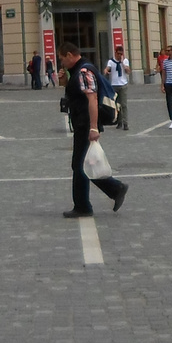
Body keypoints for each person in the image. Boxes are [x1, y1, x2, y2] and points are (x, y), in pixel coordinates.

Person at [58, 42, 128, 218]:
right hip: (82, 122)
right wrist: (64, 80)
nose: (62, 63)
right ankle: (112, 190)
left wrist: (94, 127)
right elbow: (76, 95)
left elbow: (92, 99)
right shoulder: (78, 71)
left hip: (86, 124)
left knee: (79, 164)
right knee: (83, 163)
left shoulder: (84, 71)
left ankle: (87, 203)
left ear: (69, 55)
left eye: (62, 59)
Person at [104, 50, 130, 131]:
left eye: (121, 54)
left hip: (123, 85)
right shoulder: (111, 61)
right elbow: (107, 68)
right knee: (116, 105)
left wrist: (123, 63)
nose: (119, 55)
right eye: (118, 54)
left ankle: (125, 123)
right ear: (115, 53)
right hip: (114, 85)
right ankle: (119, 121)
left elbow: (128, 71)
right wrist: (106, 71)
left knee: (124, 105)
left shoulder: (125, 61)